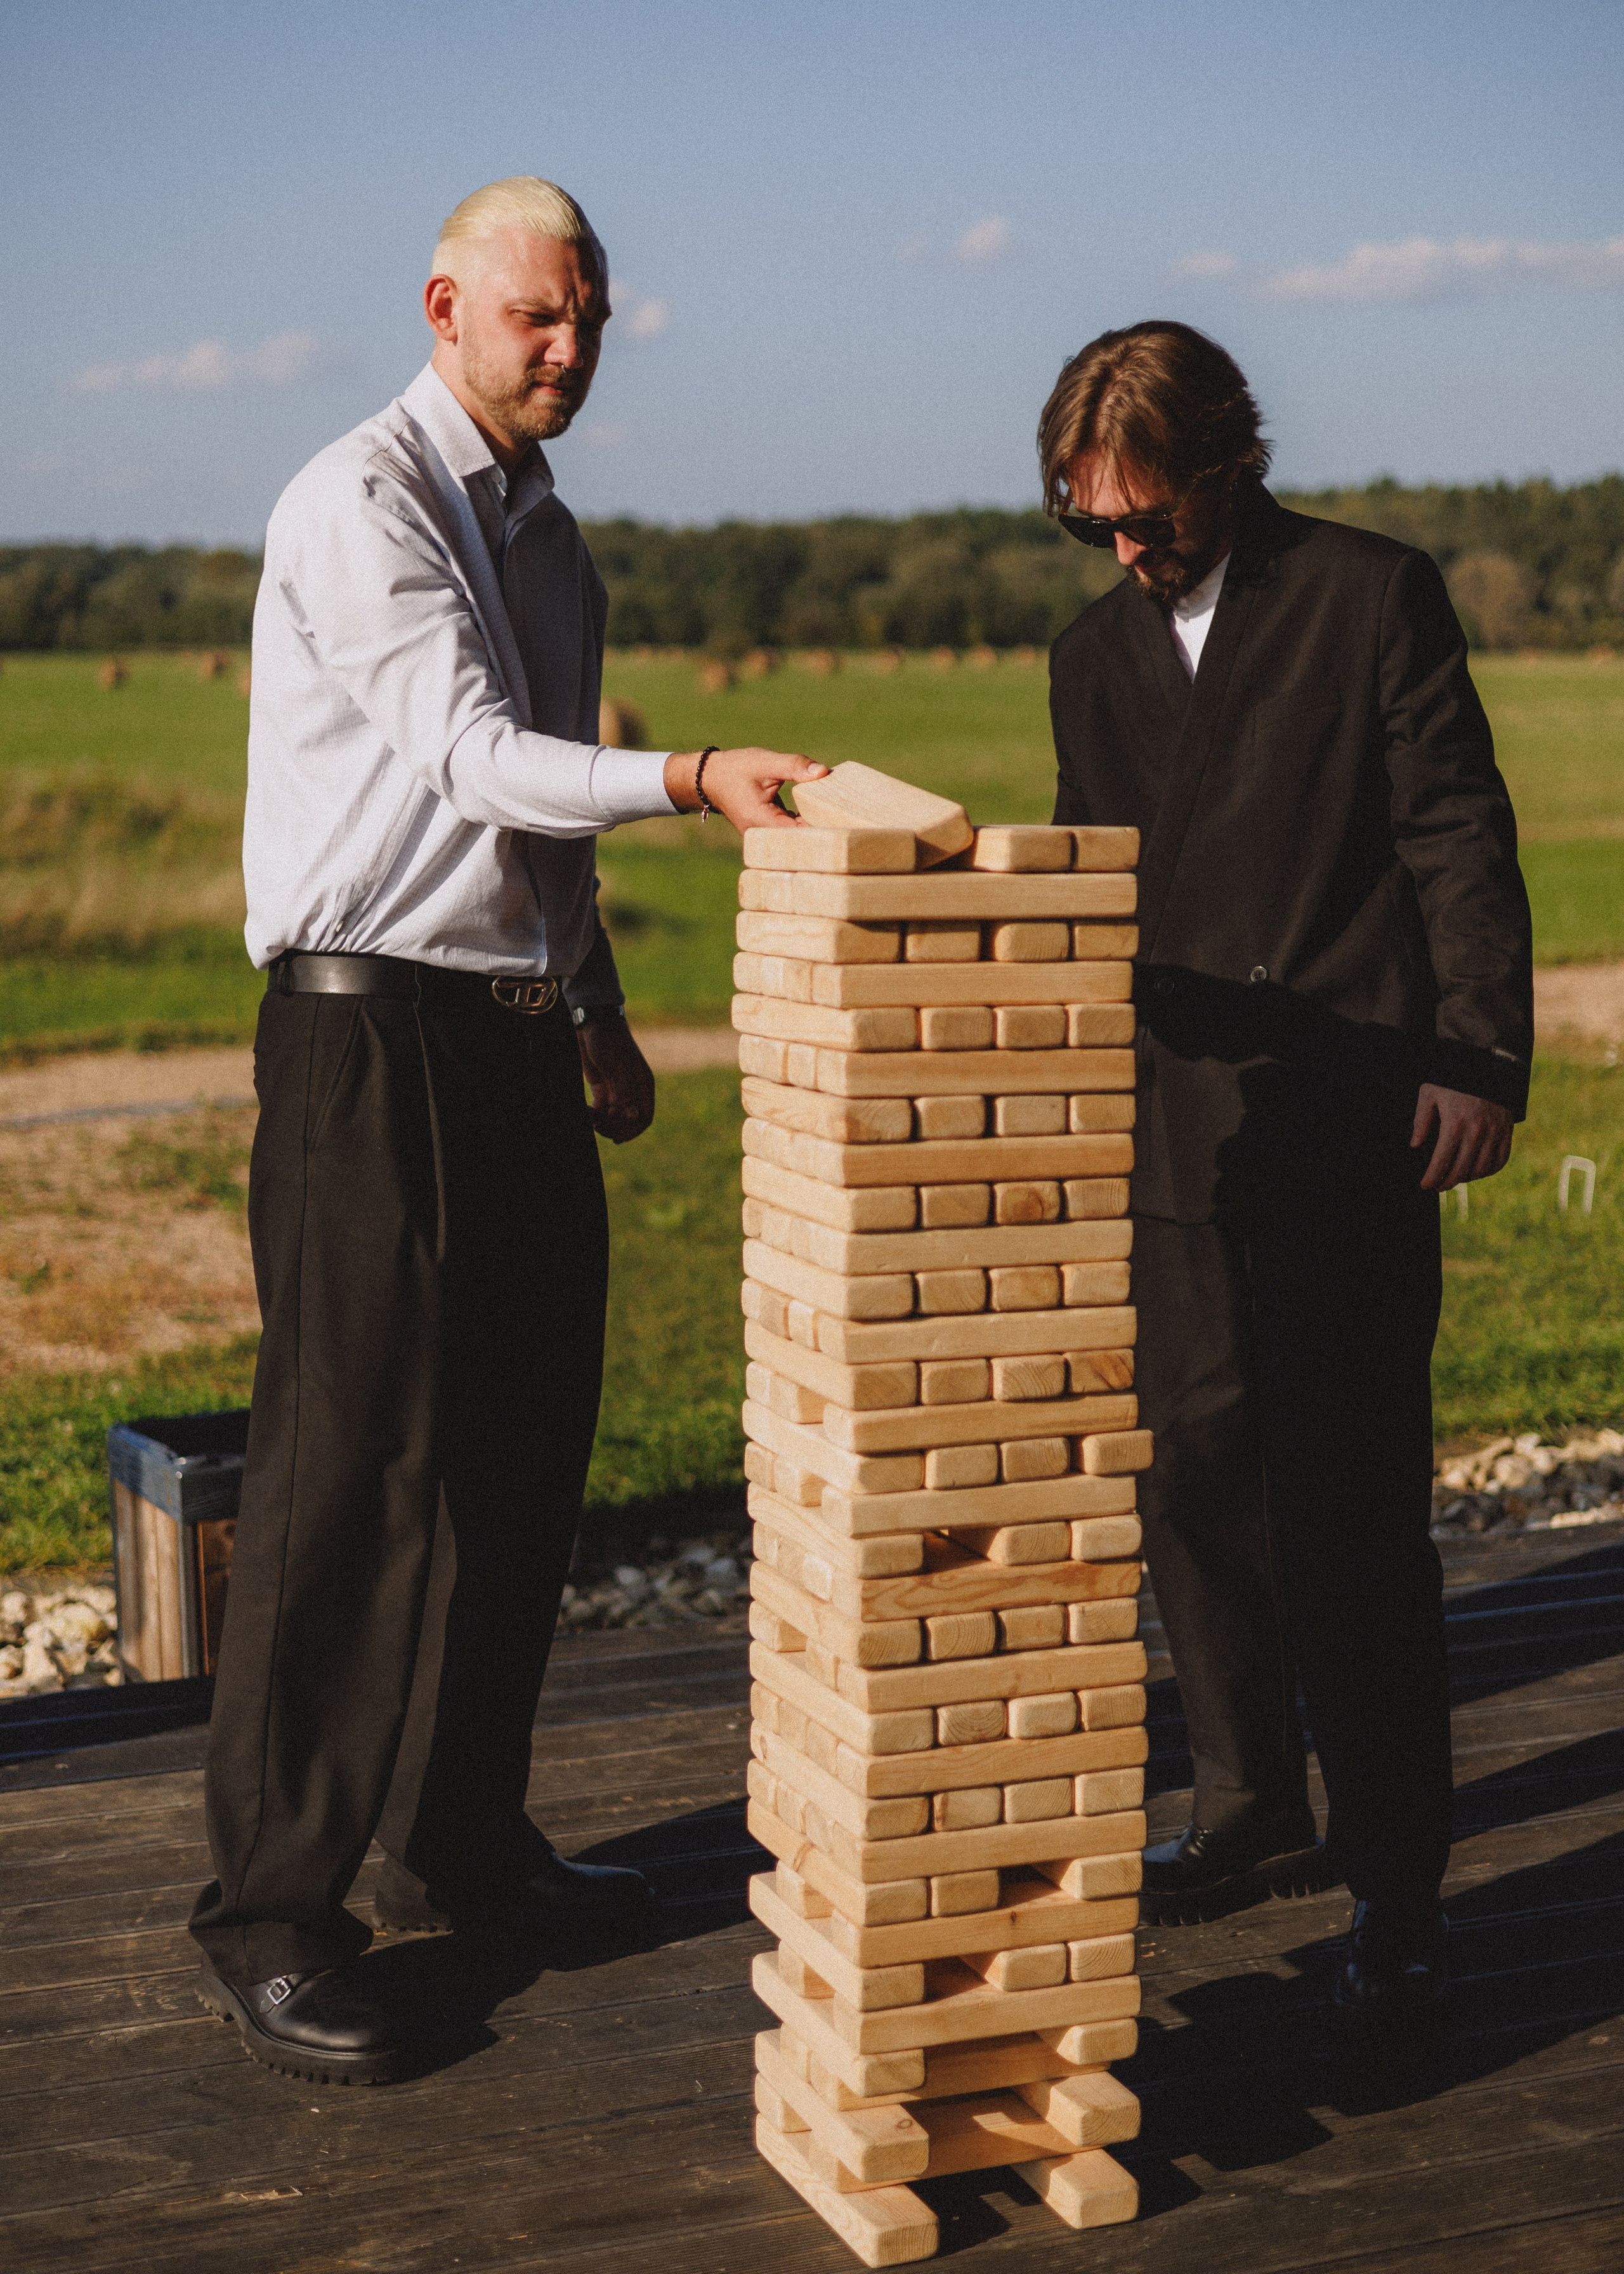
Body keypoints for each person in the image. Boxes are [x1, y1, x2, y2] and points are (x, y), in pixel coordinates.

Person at [190, 175, 825, 2085]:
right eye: (540, 317)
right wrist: (701, 775)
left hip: (518, 1035)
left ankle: (464, 1841)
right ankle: (276, 1914)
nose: (572, 348)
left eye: (595, 320)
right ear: (446, 304)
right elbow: (468, 754)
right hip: (363, 1046)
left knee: (523, 1465)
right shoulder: (358, 500)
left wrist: (604, 1008)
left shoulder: (556, 543)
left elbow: (532, 828)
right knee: (346, 1482)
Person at [1040, 322, 1532, 2046]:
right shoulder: (1085, 664)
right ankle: (1247, 1803)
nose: (1123, 552)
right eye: (1091, 525)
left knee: (1351, 1521)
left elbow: (1457, 833)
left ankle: (1397, 1882)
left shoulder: (1368, 595)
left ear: (1230, 464)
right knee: (1195, 1489)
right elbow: (1089, 898)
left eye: (1147, 520)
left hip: (1353, 1120)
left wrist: (1476, 1056)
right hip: (1177, 1136)